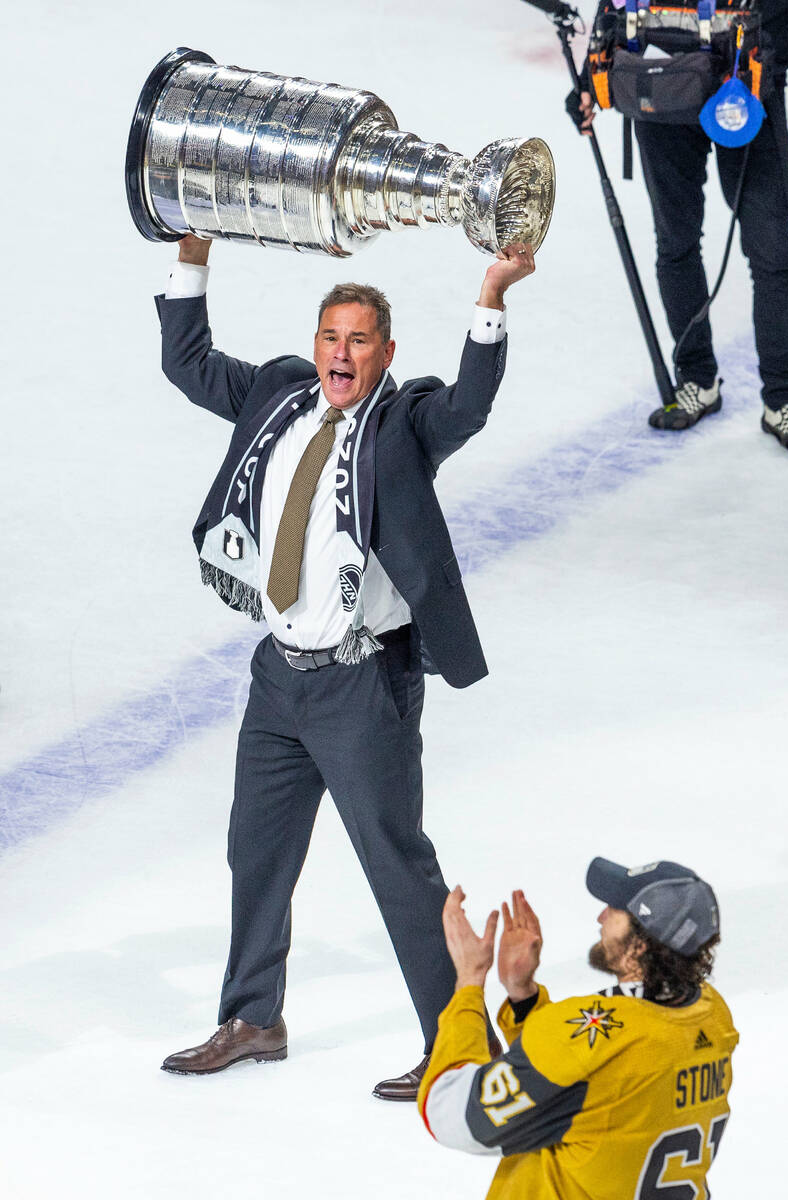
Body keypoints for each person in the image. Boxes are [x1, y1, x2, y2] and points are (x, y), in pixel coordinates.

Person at [154, 233, 535, 1097]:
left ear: (386, 353)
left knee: (397, 865)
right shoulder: (278, 394)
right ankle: (253, 1016)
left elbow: (469, 406)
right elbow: (189, 365)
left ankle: (459, 1041)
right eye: (331, 336)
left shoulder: (405, 424)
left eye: (359, 340)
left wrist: (492, 294)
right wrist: (192, 253)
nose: (340, 352)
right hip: (278, 679)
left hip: (364, 685)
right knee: (255, 853)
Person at [418, 857, 738, 1199]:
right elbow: (585, 1088)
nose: (601, 916)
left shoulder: (595, 1042)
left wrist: (469, 982)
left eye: (615, 910)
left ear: (640, 944)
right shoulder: (712, 1015)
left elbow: (448, 1111)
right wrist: (523, 994)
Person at [577, 0, 788, 452]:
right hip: (660, 89)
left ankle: (781, 397)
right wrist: (590, 78)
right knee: (676, 243)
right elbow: (616, 7)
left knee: (771, 250)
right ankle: (697, 379)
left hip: (746, 90)